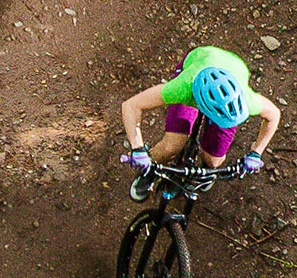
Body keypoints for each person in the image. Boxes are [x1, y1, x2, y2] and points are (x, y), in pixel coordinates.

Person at [118, 44, 281, 181]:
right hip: (199, 61)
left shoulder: (247, 99)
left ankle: (206, 167)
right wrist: (138, 149)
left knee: (214, 161)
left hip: (231, 69)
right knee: (171, 146)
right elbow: (131, 105)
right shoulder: (182, 88)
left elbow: (274, 115)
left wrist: (256, 152)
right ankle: (148, 171)